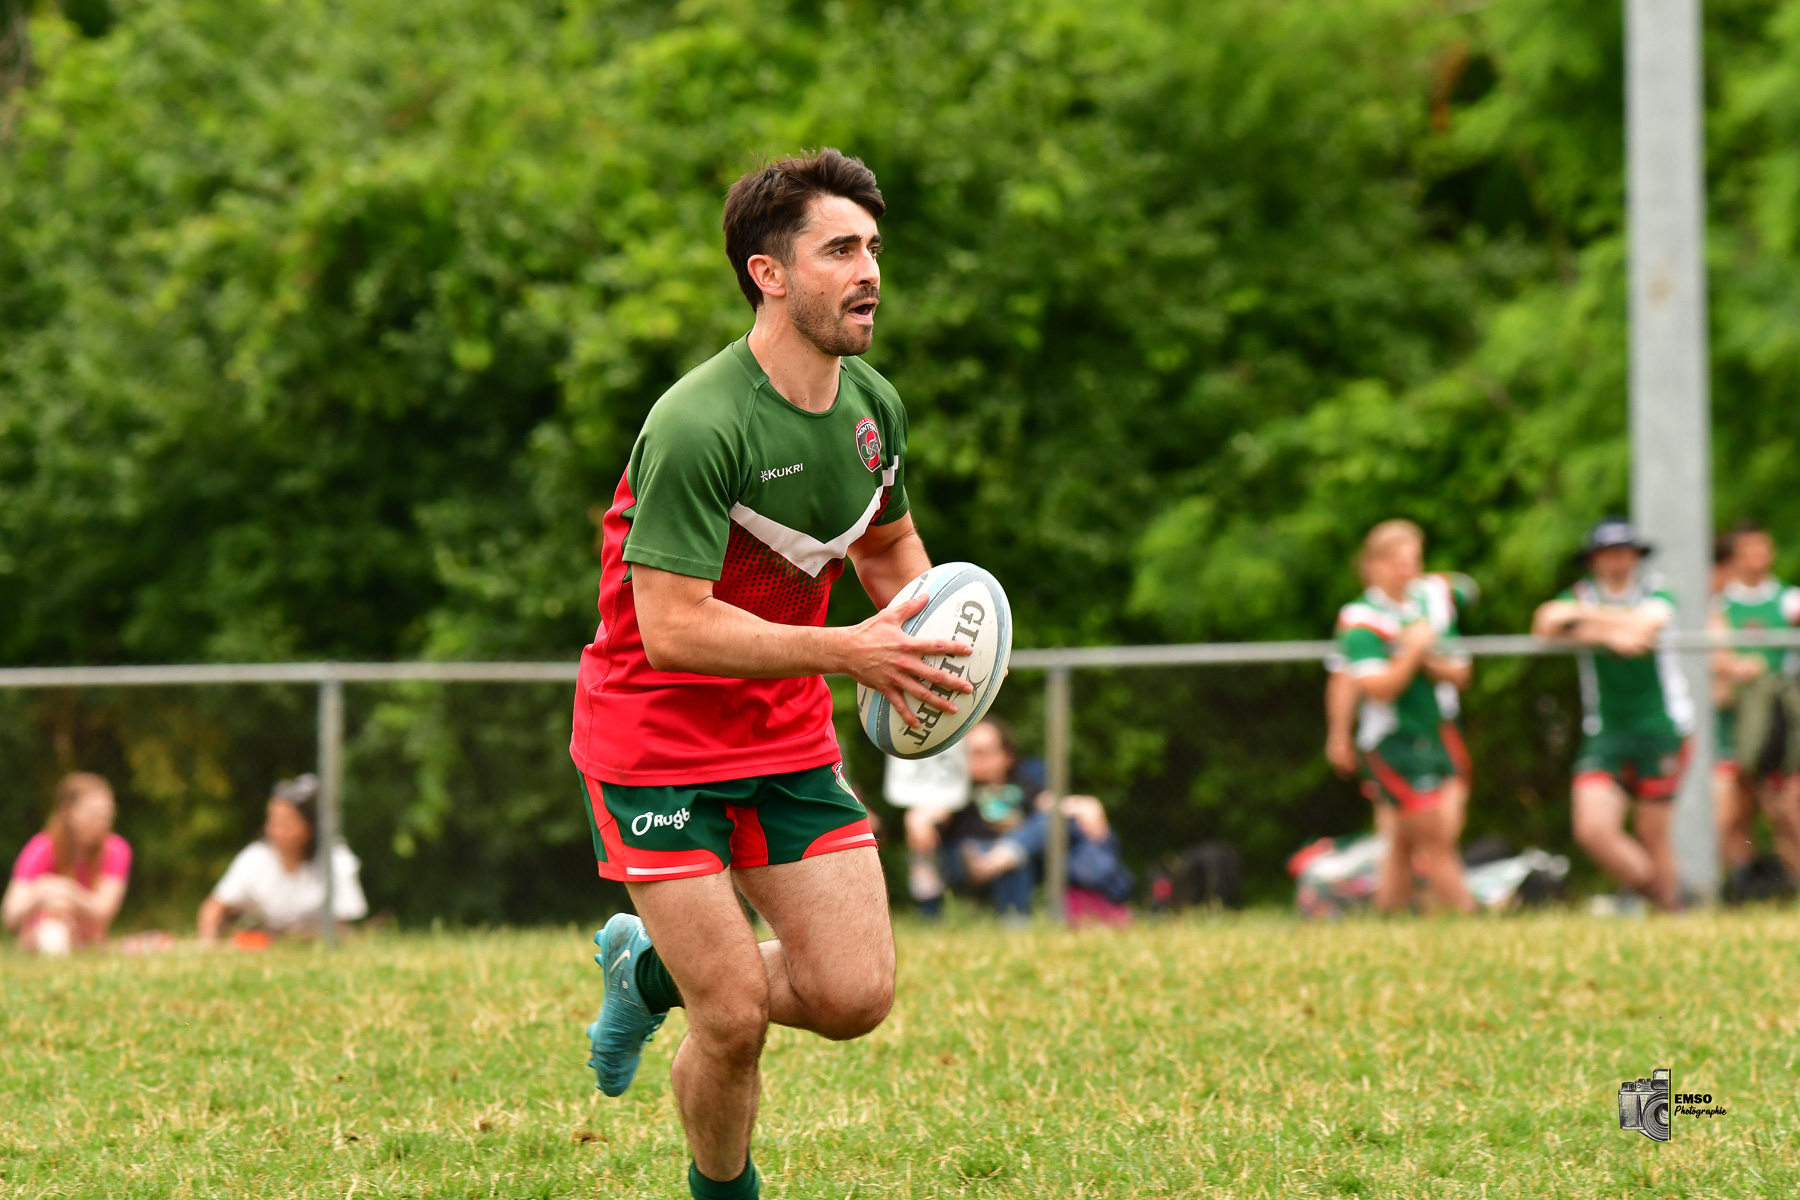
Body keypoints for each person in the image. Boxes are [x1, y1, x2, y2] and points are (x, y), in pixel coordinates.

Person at [571, 149, 973, 1200]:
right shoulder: (700, 422)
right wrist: (851, 650)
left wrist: (933, 648)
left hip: (785, 735)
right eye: (840, 249)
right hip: (655, 746)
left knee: (855, 995)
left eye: (874, 247)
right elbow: (672, 629)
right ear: (771, 274)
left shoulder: (870, 405)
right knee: (736, 1017)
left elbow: (889, 554)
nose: (869, 269)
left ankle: (644, 968)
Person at [1532, 517, 1693, 911]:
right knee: (1592, 829)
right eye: (1607, 554)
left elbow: (1647, 625)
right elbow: (1546, 622)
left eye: (1624, 553)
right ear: (1593, 560)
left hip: (1662, 725)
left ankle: (1668, 914)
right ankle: (1655, 890)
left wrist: (1584, 624)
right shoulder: (1583, 593)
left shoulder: (1655, 591)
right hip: (1606, 728)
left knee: (1652, 832)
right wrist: (1608, 633)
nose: (1617, 562)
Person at [1336, 520, 1475, 914]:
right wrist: (1412, 651)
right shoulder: (1361, 620)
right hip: (1393, 741)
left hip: (1439, 731)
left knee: (1402, 840)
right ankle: (1470, 916)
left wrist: (1426, 655)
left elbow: (1461, 670)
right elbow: (1376, 687)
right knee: (1435, 839)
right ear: (1373, 566)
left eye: (1413, 561)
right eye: (1398, 562)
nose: (1407, 571)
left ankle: (1390, 916)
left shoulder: (1432, 597)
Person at [1710, 521, 1800, 880]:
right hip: (1733, 726)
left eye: (1762, 549)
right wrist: (1734, 667)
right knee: (1732, 813)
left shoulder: (1788, 599)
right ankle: (1742, 886)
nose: (1757, 558)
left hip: (1778, 727)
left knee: (1785, 810)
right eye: (1748, 550)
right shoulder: (1719, 604)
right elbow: (1717, 663)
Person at [197, 774, 367, 941]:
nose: (275, 830)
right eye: (272, 821)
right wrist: (209, 940)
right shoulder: (256, 857)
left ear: (309, 828)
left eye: (285, 823)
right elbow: (214, 907)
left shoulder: (335, 860)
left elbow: (341, 928)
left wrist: (292, 937)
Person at [2, 773, 130, 954]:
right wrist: (41, 894)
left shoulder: (116, 850)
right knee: (52, 925)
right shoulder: (41, 849)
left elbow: (104, 910)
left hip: (89, 943)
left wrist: (67, 892)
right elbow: (10, 914)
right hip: (39, 936)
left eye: (107, 815)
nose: (102, 822)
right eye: (93, 814)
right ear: (69, 812)